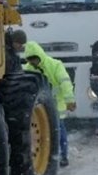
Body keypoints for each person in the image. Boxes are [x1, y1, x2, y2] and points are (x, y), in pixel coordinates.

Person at [10, 30, 76, 166]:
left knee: (58, 130)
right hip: (40, 107)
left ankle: (63, 155)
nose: (33, 62)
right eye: (30, 59)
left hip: (57, 105)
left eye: (34, 58)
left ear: (40, 55)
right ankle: (49, 157)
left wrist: (70, 100)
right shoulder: (27, 69)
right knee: (45, 134)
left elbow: (65, 83)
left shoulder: (55, 65)